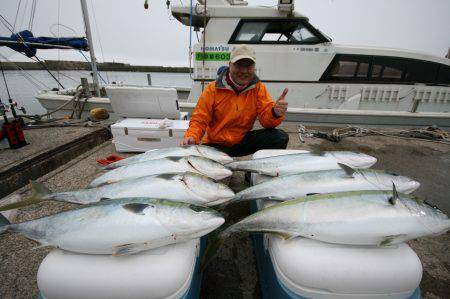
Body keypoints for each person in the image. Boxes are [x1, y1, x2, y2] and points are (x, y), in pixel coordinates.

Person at [181, 44, 289, 157]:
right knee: (218, 174)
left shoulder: (259, 88)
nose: (243, 70)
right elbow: (199, 120)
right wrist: (191, 137)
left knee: (280, 137)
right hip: (216, 145)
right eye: (238, 65)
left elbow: (266, 122)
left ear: (254, 67)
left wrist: (275, 113)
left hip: (242, 141)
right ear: (230, 65)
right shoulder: (212, 89)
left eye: (248, 66)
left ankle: (259, 168)